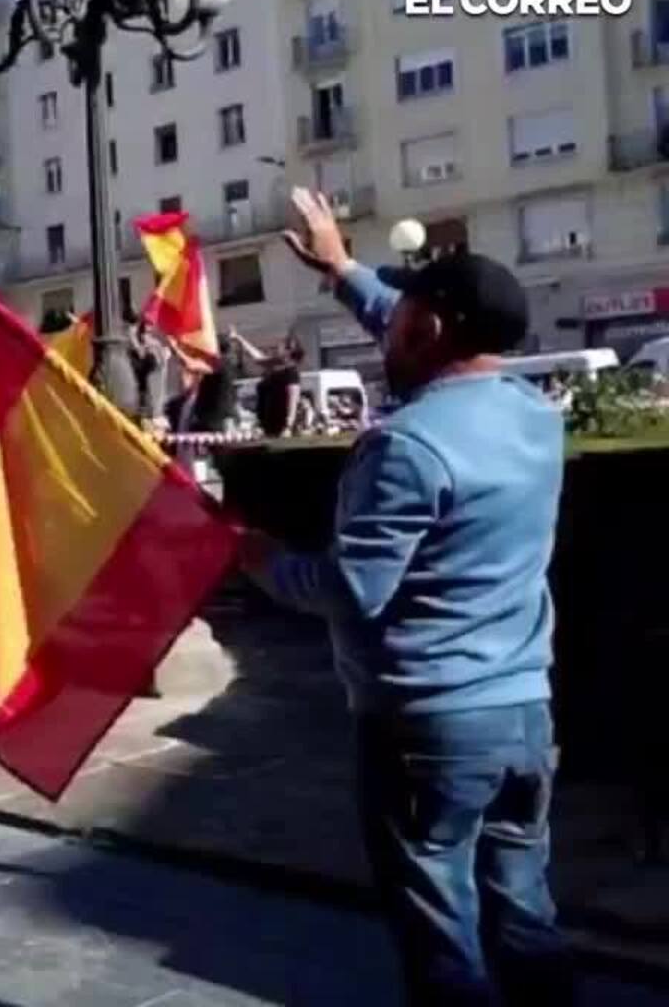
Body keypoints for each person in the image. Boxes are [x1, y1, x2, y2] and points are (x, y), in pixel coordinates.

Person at [242, 186, 571, 1007]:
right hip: (525, 713)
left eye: (399, 317)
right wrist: (345, 270)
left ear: (427, 329)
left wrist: (255, 557)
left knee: (440, 936)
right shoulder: (535, 417)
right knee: (524, 911)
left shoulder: (406, 447)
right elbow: (427, 329)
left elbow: (349, 592)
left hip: (430, 727)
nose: (385, 325)